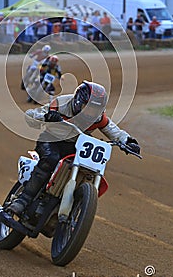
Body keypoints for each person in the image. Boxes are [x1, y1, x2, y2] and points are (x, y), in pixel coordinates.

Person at [10, 81, 140, 216]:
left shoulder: (99, 118)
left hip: (76, 146)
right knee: (50, 159)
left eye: (95, 109)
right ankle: (23, 200)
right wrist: (46, 116)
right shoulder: (61, 103)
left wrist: (128, 141)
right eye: (88, 107)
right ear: (78, 101)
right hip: (51, 139)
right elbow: (31, 116)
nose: (91, 112)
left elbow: (115, 131)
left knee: (86, 171)